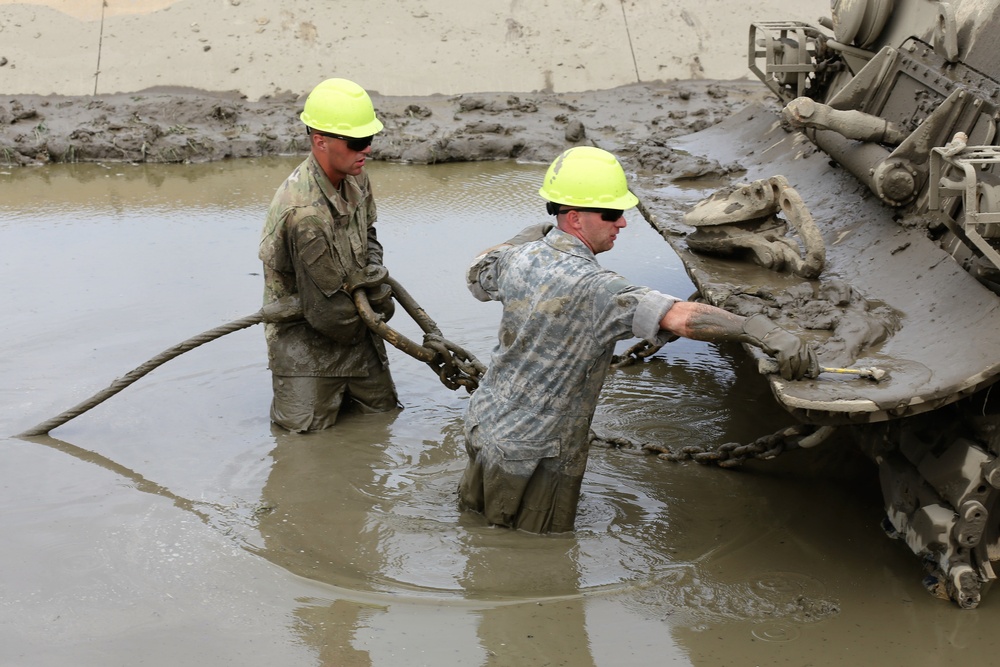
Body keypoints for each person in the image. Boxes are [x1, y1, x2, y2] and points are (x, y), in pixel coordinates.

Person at [458, 146, 819, 533]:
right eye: (612, 213)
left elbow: (477, 272)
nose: (623, 223)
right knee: (533, 554)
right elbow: (681, 317)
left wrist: (526, 238)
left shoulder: (518, 259)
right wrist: (760, 330)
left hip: (484, 429)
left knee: (476, 529)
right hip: (537, 457)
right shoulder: (596, 287)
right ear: (575, 218)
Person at [258, 78, 400, 432]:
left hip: (359, 329)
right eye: (356, 143)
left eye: (369, 140)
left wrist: (374, 277)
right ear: (320, 141)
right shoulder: (303, 213)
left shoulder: (357, 178)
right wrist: (379, 308)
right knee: (302, 444)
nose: (366, 150)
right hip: (307, 345)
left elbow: (369, 236)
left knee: (383, 417)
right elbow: (327, 314)